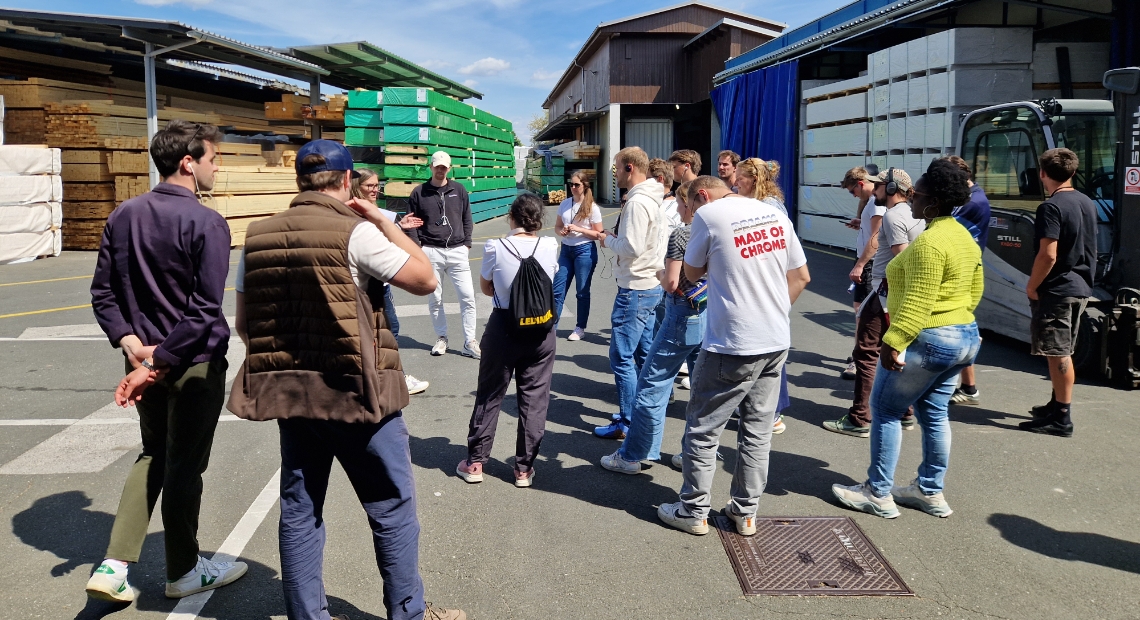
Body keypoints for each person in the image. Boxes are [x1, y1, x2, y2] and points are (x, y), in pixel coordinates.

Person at [228, 140, 465, 620]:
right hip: (357, 394)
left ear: (298, 181)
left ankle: (306, 615)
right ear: (345, 180)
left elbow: (244, 325)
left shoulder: (256, 236)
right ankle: (408, 613)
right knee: (391, 509)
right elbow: (424, 278)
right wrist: (382, 221)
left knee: (300, 509)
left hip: (293, 395)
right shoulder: (355, 233)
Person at [86, 120, 247, 603]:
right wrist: (158, 361)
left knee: (153, 452)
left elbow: (103, 292)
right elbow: (203, 309)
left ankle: (114, 565)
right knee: (184, 465)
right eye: (214, 160)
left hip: (142, 361)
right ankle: (183, 570)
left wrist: (131, 343)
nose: (217, 169)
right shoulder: (206, 221)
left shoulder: (124, 214)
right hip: (192, 361)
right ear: (188, 162)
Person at [656, 176, 811, 536]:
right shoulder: (772, 213)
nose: (690, 215)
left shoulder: (709, 216)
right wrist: (771, 312)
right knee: (757, 431)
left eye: (690, 207)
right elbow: (801, 276)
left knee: (703, 428)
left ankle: (693, 510)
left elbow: (691, 275)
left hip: (732, 343)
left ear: (703, 196)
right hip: (775, 340)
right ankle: (746, 513)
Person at [832, 159, 983, 520]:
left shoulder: (931, 243)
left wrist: (893, 341)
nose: (911, 197)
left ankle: (878, 493)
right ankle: (929, 490)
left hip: (928, 336)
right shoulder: (962, 234)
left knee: (885, 410)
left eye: (918, 192)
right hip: (964, 335)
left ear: (932, 200)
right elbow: (975, 289)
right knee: (934, 413)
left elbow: (919, 299)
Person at [600, 179, 705, 474]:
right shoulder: (722, 233)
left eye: (681, 205)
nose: (677, 210)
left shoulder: (684, 235)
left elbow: (671, 282)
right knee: (701, 387)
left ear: (690, 203)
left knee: (651, 383)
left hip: (682, 312)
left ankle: (634, 453)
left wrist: (659, 272)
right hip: (712, 317)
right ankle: (692, 453)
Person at [456, 193, 560, 487]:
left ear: (511, 217)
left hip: (504, 326)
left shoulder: (495, 246)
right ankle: (524, 469)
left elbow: (487, 289)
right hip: (541, 329)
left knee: (490, 394)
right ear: (539, 218)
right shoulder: (550, 245)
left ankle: (475, 462)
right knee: (534, 400)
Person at [823, 168, 923, 438]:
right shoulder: (916, 215)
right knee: (899, 352)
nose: (874, 190)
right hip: (896, 296)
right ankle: (904, 411)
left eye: (879, 186)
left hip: (884, 293)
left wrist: (888, 285)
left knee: (866, 353)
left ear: (891, 189)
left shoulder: (891, 216)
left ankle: (860, 418)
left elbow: (902, 259)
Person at [1020, 148, 1097, 437]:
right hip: (1081, 286)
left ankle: (1062, 417)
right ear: (1073, 172)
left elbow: (1048, 255)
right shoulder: (1086, 202)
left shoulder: (1050, 207)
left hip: (1058, 289)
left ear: (1042, 174)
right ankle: (1055, 405)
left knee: (1057, 352)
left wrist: (1032, 284)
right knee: (1063, 350)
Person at [593, 146, 666, 439]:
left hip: (635, 287)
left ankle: (627, 421)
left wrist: (608, 241)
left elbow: (632, 248)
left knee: (621, 356)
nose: (614, 173)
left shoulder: (637, 203)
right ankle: (641, 414)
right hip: (649, 285)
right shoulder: (651, 198)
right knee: (643, 354)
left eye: (616, 167)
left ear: (630, 168)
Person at [352, 169, 429, 395]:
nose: (375, 189)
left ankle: (384, 376)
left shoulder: (376, 211)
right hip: (370, 284)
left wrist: (399, 226)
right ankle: (392, 378)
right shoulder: (358, 213)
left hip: (379, 283)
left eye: (377, 185)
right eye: (370, 186)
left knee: (387, 330)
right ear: (357, 186)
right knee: (387, 330)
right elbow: (375, 243)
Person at [404, 151, 480, 359]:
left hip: (458, 251)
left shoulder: (459, 189)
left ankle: (470, 341)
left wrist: (467, 243)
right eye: (437, 166)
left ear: (449, 168)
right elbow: (410, 224)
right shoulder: (419, 193)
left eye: (444, 167)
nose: (440, 170)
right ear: (431, 167)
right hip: (431, 251)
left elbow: (467, 217)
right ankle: (441, 337)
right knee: (435, 298)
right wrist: (417, 247)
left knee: (467, 297)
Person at [942, 155, 991, 406]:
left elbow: (945, 228)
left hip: (962, 269)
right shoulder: (968, 198)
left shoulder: (974, 202)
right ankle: (968, 387)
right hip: (960, 265)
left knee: (960, 326)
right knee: (960, 326)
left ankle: (968, 387)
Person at [840, 166, 886, 381]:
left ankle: (861, 360)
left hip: (871, 264)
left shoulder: (876, 204)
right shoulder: (870, 204)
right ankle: (859, 356)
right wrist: (861, 224)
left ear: (860, 184)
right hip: (867, 262)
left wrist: (860, 265)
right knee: (860, 310)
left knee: (865, 314)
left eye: (853, 191)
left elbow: (876, 239)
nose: (854, 196)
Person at [552, 170, 603, 341]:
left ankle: (580, 327)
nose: (573, 187)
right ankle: (551, 327)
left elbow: (599, 234)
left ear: (584, 186)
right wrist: (563, 232)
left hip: (584, 250)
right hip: (566, 250)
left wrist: (579, 229)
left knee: (582, 291)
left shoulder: (592, 208)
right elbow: (557, 226)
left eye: (576, 185)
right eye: (571, 184)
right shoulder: (565, 204)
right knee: (557, 290)